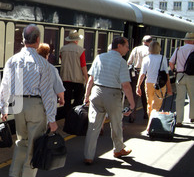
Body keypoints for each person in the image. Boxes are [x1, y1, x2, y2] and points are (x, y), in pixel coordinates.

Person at [0, 24, 58, 177]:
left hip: (17, 105)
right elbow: (47, 93)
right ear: (38, 41)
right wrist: (52, 119)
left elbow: (5, 85)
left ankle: (14, 175)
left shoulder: (13, 60)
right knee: (34, 145)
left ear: (23, 40)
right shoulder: (43, 64)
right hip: (35, 106)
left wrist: (3, 107)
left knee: (22, 141)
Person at [83, 37, 135, 165]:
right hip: (113, 94)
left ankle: (88, 156)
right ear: (119, 46)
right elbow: (126, 85)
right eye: (126, 46)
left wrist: (86, 96)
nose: (128, 49)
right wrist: (132, 103)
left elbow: (91, 79)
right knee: (116, 123)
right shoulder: (121, 62)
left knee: (93, 126)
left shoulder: (99, 57)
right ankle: (118, 149)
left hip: (96, 92)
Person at [136, 41, 173, 121]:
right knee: (156, 105)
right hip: (160, 84)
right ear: (159, 48)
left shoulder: (146, 58)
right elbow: (166, 74)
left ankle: (150, 121)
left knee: (149, 104)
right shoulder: (163, 58)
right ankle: (152, 123)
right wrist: (169, 88)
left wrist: (138, 86)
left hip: (148, 83)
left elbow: (142, 74)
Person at [59, 30, 89, 119]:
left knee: (67, 100)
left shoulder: (63, 49)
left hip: (65, 78)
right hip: (78, 79)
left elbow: (62, 59)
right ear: (76, 40)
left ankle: (67, 118)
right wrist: (87, 78)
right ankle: (75, 118)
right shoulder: (80, 50)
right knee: (78, 100)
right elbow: (83, 65)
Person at [169, 32, 194, 126]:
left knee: (180, 99)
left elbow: (171, 63)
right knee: (193, 97)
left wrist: (175, 71)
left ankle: (179, 120)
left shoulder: (179, 49)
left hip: (180, 75)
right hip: (192, 77)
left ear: (186, 40)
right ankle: (192, 117)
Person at [127, 35, 151, 122]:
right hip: (146, 74)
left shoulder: (136, 49)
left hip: (135, 74)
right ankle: (146, 114)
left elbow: (129, 62)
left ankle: (132, 116)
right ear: (150, 42)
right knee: (146, 95)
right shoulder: (150, 50)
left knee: (134, 95)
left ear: (142, 41)